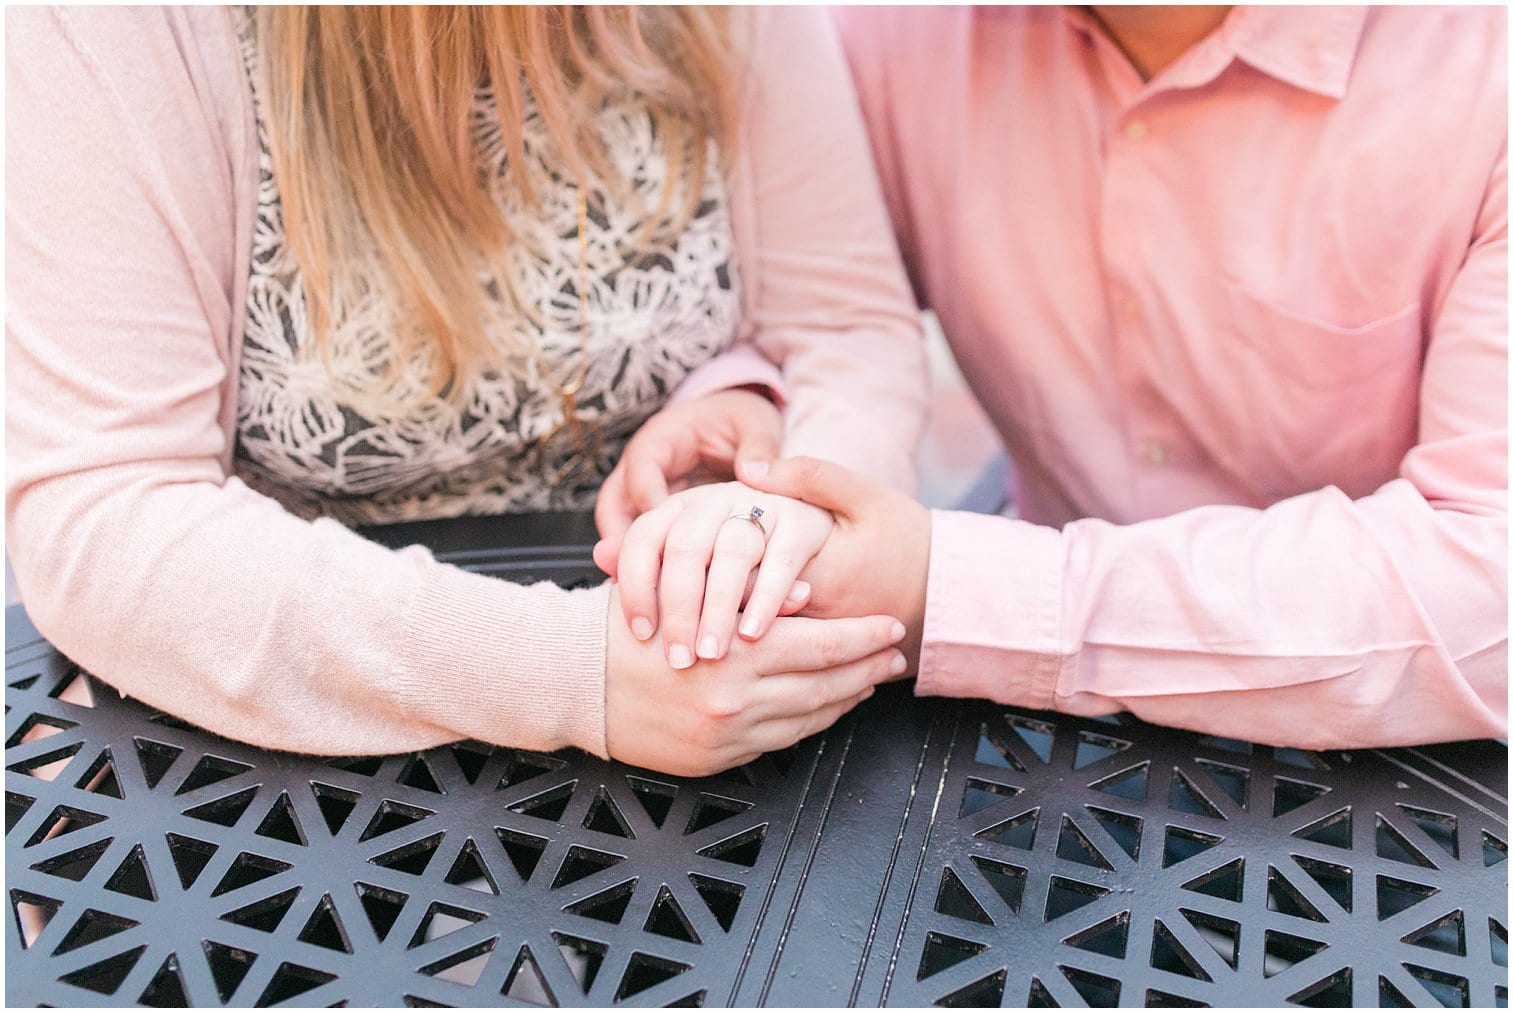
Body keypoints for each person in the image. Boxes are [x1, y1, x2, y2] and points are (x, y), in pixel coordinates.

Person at [5, 6, 929, 776]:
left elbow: (845, 330)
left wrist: (785, 521)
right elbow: (108, 515)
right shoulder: (115, 29)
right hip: (296, 709)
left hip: (708, 665)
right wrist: (570, 672)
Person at [596, 5, 1507, 748]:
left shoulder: (1483, 71)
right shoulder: (893, 31)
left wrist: (952, 586)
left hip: (1407, 752)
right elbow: (835, 301)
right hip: (1027, 705)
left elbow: (1487, 585)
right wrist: (759, 402)